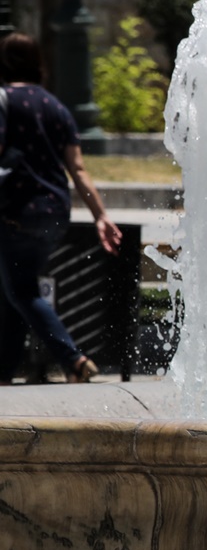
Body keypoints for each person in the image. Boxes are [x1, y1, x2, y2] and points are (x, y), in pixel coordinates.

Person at [0, 32, 122, 382]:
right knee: (13, 287)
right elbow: (78, 168)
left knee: (21, 290)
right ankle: (5, 369)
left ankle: (74, 360)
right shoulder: (58, 108)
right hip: (54, 212)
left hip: (16, 210)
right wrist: (100, 216)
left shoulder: (4, 99)